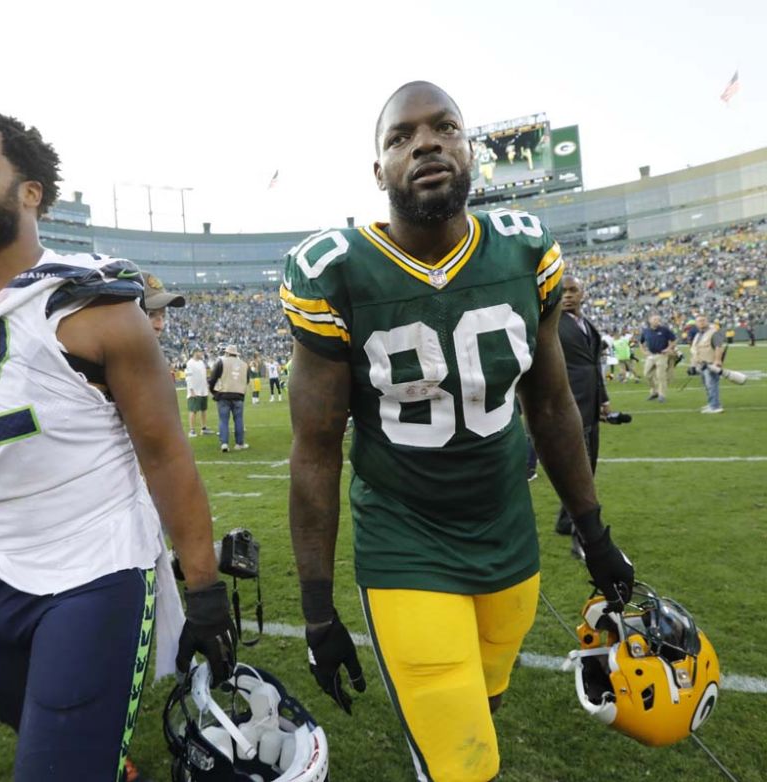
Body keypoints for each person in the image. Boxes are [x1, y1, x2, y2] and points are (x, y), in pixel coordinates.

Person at [0, 110, 236, 780]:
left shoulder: (91, 303)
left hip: (100, 561)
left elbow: (166, 456)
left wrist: (203, 592)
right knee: (40, 729)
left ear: (31, 193)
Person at [281, 81, 634, 782]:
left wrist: (596, 536)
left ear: (470, 150)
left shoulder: (522, 248)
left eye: (443, 127)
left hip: (509, 539)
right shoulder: (335, 271)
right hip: (406, 542)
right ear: (377, 171)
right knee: (464, 766)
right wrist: (318, 611)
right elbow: (316, 449)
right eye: (400, 136)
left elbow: (555, 405)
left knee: (485, 703)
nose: (425, 142)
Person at [553, 276, 614, 552]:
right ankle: (582, 534)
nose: (567, 296)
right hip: (568, 406)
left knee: (589, 465)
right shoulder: (551, 324)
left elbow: (592, 365)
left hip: (589, 404)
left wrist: (603, 399)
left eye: (572, 290)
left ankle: (566, 520)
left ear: (582, 293)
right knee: (581, 470)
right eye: (562, 291)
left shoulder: (586, 324)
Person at [209, 344, 248, 452]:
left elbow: (213, 378)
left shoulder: (221, 362)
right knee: (239, 419)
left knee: (223, 420)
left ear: (226, 353)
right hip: (239, 394)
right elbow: (247, 380)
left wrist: (213, 391)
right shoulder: (244, 364)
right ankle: (239, 443)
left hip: (224, 393)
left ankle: (224, 443)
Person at [690, 314, 726, 414]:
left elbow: (719, 347)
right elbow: (695, 350)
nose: (701, 322)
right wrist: (693, 364)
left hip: (710, 363)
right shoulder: (698, 335)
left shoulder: (713, 333)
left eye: (703, 320)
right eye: (699, 321)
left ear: (707, 321)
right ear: (696, 324)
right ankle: (712, 403)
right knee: (707, 385)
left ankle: (715, 406)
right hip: (701, 364)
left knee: (712, 385)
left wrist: (718, 361)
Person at [640, 313, 676, 402]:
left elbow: (674, 340)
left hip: (661, 355)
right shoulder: (646, 331)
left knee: (661, 376)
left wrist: (668, 348)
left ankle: (662, 395)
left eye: (658, 319)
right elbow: (641, 342)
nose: (657, 321)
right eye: (655, 319)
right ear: (650, 320)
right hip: (651, 355)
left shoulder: (664, 330)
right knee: (647, 374)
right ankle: (654, 392)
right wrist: (643, 351)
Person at [184, 348, 212, 437]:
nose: (202, 354)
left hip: (203, 390)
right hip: (194, 391)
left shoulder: (201, 363)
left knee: (204, 410)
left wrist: (207, 387)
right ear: (195, 352)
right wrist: (191, 390)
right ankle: (192, 430)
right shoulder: (190, 363)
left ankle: (204, 428)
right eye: (200, 352)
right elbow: (188, 378)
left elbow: (204, 376)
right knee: (193, 410)